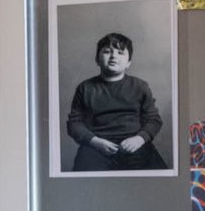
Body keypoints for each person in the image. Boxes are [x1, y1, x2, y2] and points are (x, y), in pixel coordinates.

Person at [65, 30, 168, 172]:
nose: (113, 56)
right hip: (96, 147)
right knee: (83, 182)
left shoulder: (140, 86)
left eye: (120, 53)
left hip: (134, 145)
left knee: (157, 181)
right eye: (107, 52)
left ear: (128, 63)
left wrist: (139, 139)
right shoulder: (85, 88)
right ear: (97, 59)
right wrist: (95, 141)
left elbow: (153, 120)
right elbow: (74, 124)